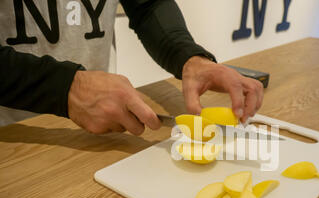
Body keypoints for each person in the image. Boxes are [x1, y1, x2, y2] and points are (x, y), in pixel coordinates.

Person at [0, 0, 263, 134]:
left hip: (103, 129)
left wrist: (188, 57)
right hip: (15, 137)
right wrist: (65, 88)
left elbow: (148, 6)